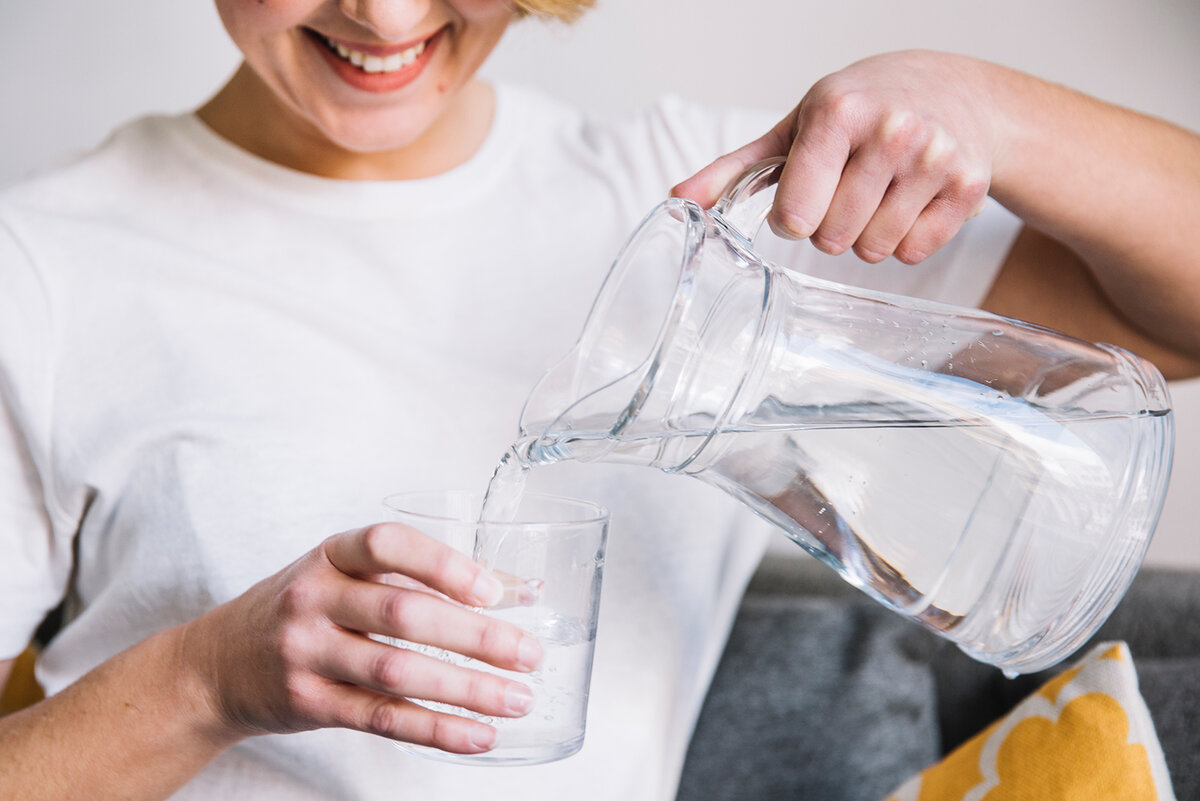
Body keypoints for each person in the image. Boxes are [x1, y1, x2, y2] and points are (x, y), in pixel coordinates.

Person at [1, 1, 1198, 799]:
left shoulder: (696, 208)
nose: (382, 13)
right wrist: (209, 682)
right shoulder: (47, 267)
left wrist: (982, 101)